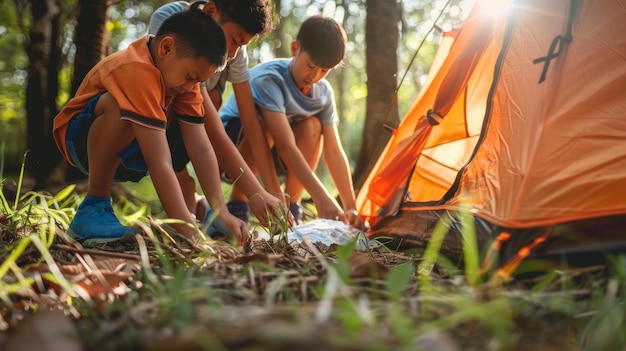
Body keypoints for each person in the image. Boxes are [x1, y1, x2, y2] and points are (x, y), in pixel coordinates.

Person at [53, 8, 250, 245]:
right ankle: (93, 208)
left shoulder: (186, 81)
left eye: (198, 81)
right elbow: (159, 162)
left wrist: (222, 211)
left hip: (129, 150)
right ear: (166, 48)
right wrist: (188, 230)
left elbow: (201, 148)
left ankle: (197, 211)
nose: (191, 87)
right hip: (79, 139)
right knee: (118, 106)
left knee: (181, 116)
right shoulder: (137, 70)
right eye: (190, 76)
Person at [148, 0, 288, 232]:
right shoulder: (172, 19)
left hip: (195, 123)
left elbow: (250, 122)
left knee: (209, 97)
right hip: (160, 116)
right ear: (211, 11)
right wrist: (254, 192)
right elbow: (194, 104)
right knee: (201, 96)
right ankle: (194, 201)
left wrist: (268, 194)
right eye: (233, 40)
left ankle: (204, 207)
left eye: (240, 45)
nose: (231, 53)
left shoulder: (235, 53)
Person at [220, 15, 365, 230]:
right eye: (311, 66)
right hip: (229, 151)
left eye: (324, 71)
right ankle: (238, 202)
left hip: (273, 153)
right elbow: (285, 144)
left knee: (312, 126)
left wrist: (350, 206)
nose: (314, 76)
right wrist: (320, 197)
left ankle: (293, 205)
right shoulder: (269, 79)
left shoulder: (323, 93)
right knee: (266, 124)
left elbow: (334, 152)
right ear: (295, 48)